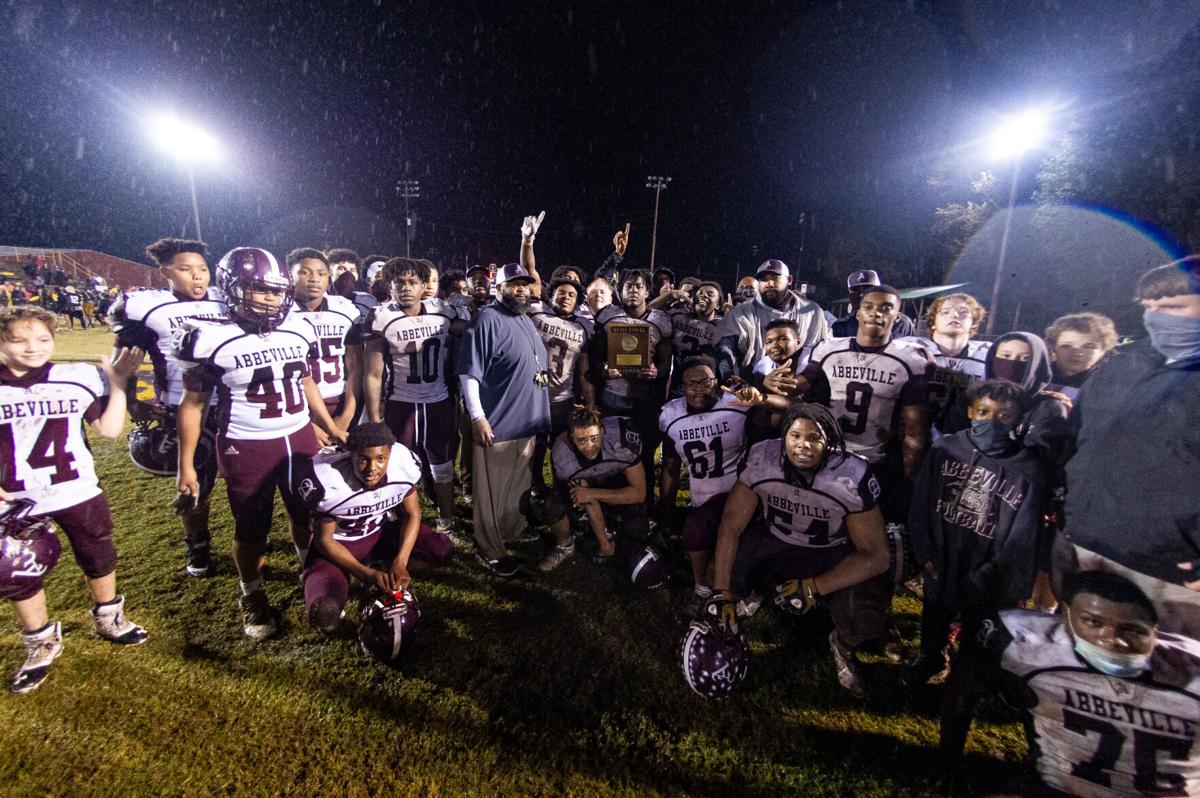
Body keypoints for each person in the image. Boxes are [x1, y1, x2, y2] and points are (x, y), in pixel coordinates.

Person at [174, 247, 347, 640]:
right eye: (259, 290)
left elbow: (305, 382)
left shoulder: (298, 326)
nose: (271, 298)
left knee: (308, 514)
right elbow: (194, 404)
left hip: (299, 435)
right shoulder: (206, 336)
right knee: (252, 528)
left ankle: (310, 570)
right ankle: (251, 593)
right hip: (247, 444)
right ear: (233, 289)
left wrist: (328, 425)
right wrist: (187, 465)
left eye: (275, 290)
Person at [940, 570, 1200, 796]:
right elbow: (962, 687)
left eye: (1132, 629)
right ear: (1068, 618)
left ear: (1155, 632)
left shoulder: (1189, 672)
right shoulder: (1025, 646)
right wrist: (949, 762)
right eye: (1094, 622)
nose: (1114, 641)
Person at [0, 307, 149, 693]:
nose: (34, 348)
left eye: (43, 339)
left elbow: (110, 428)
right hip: (16, 499)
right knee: (17, 570)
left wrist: (118, 384)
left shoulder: (75, 376)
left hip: (77, 488)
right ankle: (40, 642)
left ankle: (109, 619)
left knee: (98, 553)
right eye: (19, 339)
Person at [1056, 256, 1200, 637]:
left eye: (1170, 307)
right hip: (1087, 547)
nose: (1156, 318)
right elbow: (1078, 441)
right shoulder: (1124, 365)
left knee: (1168, 682)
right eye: (1148, 307)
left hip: (1171, 573)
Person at [707, 403, 891, 697]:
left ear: (829, 441)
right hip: (777, 541)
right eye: (794, 436)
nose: (803, 445)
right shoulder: (762, 459)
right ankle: (759, 590)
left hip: (830, 551)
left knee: (864, 617)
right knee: (722, 569)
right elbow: (731, 525)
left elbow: (877, 556)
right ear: (783, 437)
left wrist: (814, 587)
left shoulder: (849, 474)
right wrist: (721, 591)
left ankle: (842, 644)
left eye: (814, 438)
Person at [907, 379, 1047, 686]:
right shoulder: (946, 448)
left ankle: (969, 675)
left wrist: (992, 576)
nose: (991, 421)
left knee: (979, 631)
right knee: (934, 615)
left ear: (1018, 419)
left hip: (985, 567)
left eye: (1004, 416)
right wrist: (925, 553)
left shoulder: (1027, 470)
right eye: (983, 411)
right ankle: (931, 658)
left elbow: (1022, 538)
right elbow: (920, 504)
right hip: (943, 556)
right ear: (970, 411)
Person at [110, 237, 229, 576]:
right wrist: (132, 400)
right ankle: (198, 543)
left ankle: (250, 534)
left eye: (203, 270)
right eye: (186, 269)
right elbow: (126, 361)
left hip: (233, 404)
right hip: (184, 406)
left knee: (242, 480)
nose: (197, 277)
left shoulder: (225, 300)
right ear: (165, 272)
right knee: (196, 486)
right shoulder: (147, 308)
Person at [766, 285, 931, 523]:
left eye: (886, 308)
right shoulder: (829, 348)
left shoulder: (911, 359)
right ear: (858, 312)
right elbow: (798, 386)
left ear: (898, 315)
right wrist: (771, 382)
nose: (876, 313)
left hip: (875, 462)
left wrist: (908, 480)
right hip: (829, 455)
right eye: (869, 307)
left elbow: (915, 434)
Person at [295, 423, 452, 634]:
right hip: (340, 546)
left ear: (389, 455)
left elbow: (413, 513)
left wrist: (401, 562)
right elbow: (324, 540)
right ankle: (336, 576)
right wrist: (365, 575)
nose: (372, 468)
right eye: (362, 459)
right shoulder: (330, 483)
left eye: (380, 459)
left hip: (379, 534)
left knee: (441, 549)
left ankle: (383, 565)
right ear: (349, 456)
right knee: (324, 613)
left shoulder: (402, 465)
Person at [457, 262, 551, 577]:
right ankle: (490, 550)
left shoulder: (523, 317)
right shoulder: (487, 319)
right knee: (491, 494)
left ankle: (512, 530)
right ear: (499, 289)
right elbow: (469, 373)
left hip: (527, 422)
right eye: (514, 285)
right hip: (498, 422)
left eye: (525, 284)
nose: (521, 289)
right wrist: (477, 416)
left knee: (516, 487)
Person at [362, 258, 465, 539]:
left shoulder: (442, 310)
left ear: (423, 286)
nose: (406, 288)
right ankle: (398, 522)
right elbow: (373, 373)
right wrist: (374, 420)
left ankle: (447, 521)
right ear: (390, 286)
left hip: (439, 403)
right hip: (401, 404)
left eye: (412, 283)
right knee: (396, 470)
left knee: (443, 468)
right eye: (399, 283)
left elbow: (471, 331)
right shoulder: (380, 317)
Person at [658, 356, 752, 603]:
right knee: (704, 546)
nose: (699, 388)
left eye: (705, 381)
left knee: (704, 535)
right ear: (682, 387)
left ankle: (709, 588)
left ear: (717, 381)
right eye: (691, 383)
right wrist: (665, 513)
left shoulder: (737, 404)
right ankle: (703, 585)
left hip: (739, 494)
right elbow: (670, 466)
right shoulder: (671, 415)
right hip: (701, 496)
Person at [538, 408, 647, 572]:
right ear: (571, 439)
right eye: (581, 441)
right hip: (587, 484)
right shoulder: (563, 454)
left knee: (638, 528)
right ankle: (565, 546)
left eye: (594, 438)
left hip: (616, 481)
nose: (589, 446)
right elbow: (586, 498)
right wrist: (605, 545)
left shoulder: (622, 442)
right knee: (552, 506)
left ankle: (613, 525)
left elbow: (639, 493)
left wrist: (593, 493)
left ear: (602, 432)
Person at [593, 269, 673, 485]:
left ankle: (642, 504)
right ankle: (614, 500)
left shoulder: (660, 320)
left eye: (639, 286)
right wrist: (604, 369)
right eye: (629, 286)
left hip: (644, 400)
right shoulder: (608, 315)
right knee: (611, 450)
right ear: (621, 290)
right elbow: (595, 356)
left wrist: (656, 371)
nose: (633, 290)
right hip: (612, 396)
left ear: (647, 291)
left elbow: (666, 361)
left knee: (643, 453)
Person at [286, 248, 362, 439]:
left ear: (329, 277)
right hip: (296, 405)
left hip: (339, 398)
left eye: (321, 274)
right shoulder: (280, 315)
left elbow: (355, 366)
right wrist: (306, 424)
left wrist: (347, 415)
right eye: (305, 272)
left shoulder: (345, 310)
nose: (314, 279)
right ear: (289, 276)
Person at [715, 259, 829, 384]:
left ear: (789, 280)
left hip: (801, 387)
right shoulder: (740, 312)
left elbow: (822, 352)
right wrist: (727, 372)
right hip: (754, 386)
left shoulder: (812, 311)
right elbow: (726, 346)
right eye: (763, 279)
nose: (769, 283)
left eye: (775, 278)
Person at [528, 277, 595, 488]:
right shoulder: (536, 313)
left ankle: (561, 490)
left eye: (571, 295)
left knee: (563, 449)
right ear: (552, 295)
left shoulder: (582, 328)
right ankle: (535, 486)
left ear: (578, 302)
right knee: (533, 449)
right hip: (534, 396)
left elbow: (583, 370)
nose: (566, 297)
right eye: (562, 293)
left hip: (562, 399)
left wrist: (590, 401)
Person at [898, 292, 991, 433]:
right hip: (910, 431)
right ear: (933, 323)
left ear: (973, 323)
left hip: (963, 436)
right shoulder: (909, 348)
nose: (954, 315)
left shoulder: (988, 354)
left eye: (963, 312)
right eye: (945, 312)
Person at [1043, 311, 1118, 400]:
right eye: (1067, 346)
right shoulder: (1035, 377)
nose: (1077, 353)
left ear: (1103, 351)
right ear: (1053, 348)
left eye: (1088, 347)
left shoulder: (1111, 386)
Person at [667, 280, 723, 396]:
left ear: (718, 305)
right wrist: (668, 295)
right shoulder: (678, 317)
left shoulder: (724, 327)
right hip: (679, 390)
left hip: (706, 391)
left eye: (710, 294)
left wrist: (735, 316)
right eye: (700, 293)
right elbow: (645, 317)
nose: (703, 295)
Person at [831, 269, 916, 339]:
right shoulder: (842, 325)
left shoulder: (902, 323)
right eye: (856, 290)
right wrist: (855, 313)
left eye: (868, 289)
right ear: (850, 294)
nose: (862, 294)